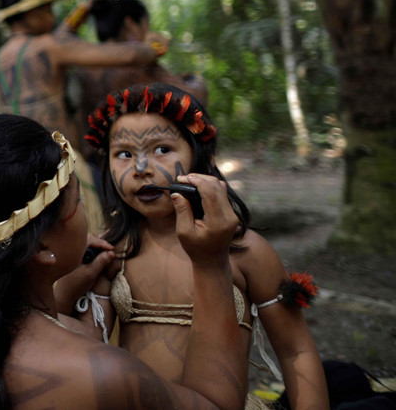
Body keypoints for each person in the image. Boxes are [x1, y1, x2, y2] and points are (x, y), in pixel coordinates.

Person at [0, 113, 251, 409]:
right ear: (42, 249)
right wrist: (210, 263)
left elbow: (68, 335)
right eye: (77, 201)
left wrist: (63, 294)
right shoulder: (108, 377)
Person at [81, 83, 328, 409]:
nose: (141, 169)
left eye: (162, 150)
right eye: (124, 154)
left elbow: (296, 351)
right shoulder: (113, 253)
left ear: (203, 157)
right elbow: (87, 352)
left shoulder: (245, 252)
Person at [0, 0, 163, 231]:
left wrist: (84, 10)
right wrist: (154, 46)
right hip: (59, 165)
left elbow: (59, 37)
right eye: (47, 9)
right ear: (31, 13)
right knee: (93, 232)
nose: (53, 16)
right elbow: (126, 55)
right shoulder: (50, 46)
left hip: (15, 162)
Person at [70, 0, 209, 199]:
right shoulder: (137, 61)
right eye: (145, 24)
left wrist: (83, 8)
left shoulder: (83, 62)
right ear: (130, 23)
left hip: (95, 166)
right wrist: (197, 79)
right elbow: (194, 98)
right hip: (139, 165)